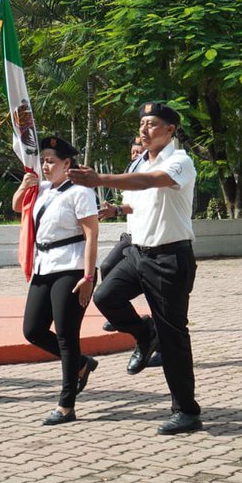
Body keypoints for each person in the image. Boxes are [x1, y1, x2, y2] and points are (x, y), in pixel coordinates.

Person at [68, 102, 201, 436]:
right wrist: (118, 207)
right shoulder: (139, 160)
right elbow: (140, 198)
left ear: (170, 129)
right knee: (106, 297)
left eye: (152, 124)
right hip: (137, 253)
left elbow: (151, 182)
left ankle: (186, 410)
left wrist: (99, 178)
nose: (144, 129)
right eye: (142, 123)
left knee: (174, 337)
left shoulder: (179, 161)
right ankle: (145, 335)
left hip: (169, 258)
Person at [12, 135, 100, 426]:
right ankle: (80, 364)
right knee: (32, 329)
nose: (46, 166)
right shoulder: (43, 190)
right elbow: (17, 208)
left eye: (51, 161)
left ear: (67, 163)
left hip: (71, 268)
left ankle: (66, 404)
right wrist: (23, 187)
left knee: (66, 335)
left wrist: (88, 276)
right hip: (43, 266)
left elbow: (91, 235)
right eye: (43, 160)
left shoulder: (80, 192)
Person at [96, 136, 146, 334]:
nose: (135, 155)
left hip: (147, 239)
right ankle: (118, 315)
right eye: (133, 152)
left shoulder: (149, 175)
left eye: (139, 152)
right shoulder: (130, 171)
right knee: (108, 266)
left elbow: (140, 205)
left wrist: (117, 209)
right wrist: (115, 210)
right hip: (130, 235)